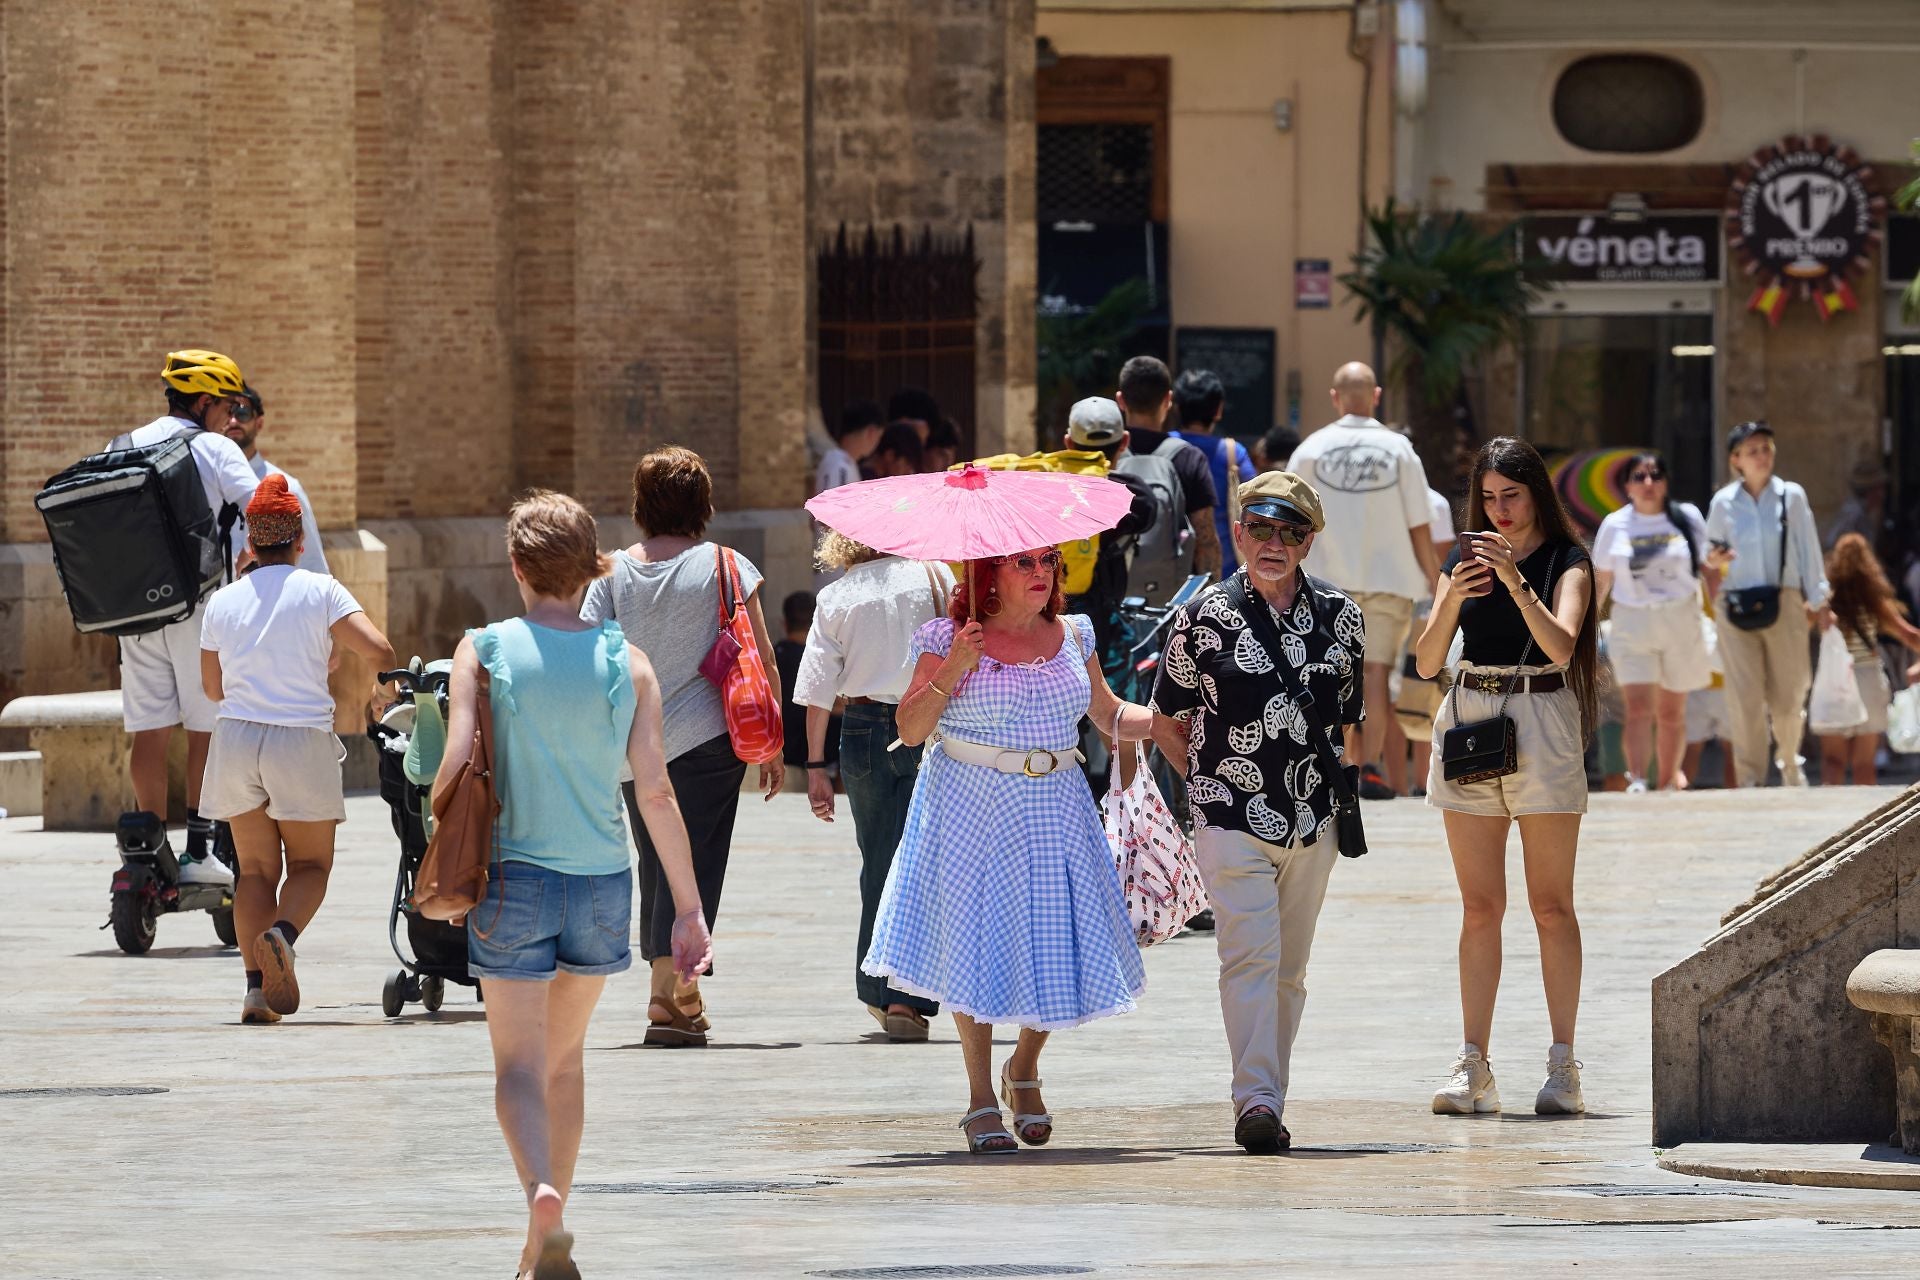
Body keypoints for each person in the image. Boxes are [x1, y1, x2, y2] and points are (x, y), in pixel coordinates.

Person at [436, 491, 713, 1280]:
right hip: (603, 884)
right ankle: (542, 1239)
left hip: (515, 878)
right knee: (565, 1064)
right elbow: (655, 793)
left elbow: (454, 768)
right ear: (594, 569)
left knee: (517, 1070)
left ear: (517, 567)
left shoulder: (482, 648)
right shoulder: (628, 660)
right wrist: (688, 911)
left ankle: (540, 1199)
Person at [863, 549, 1156, 1153]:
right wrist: (955, 666)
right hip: (967, 806)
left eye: (1047, 560)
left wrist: (1175, 722)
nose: (1040, 571)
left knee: (1052, 941)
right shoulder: (948, 637)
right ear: (987, 573)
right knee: (974, 944)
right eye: (1022, 562)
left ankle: (1022, 1066)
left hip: (1057, 804)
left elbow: (1105, 711)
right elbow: (911, 729)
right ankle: (978, 1097)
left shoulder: (1075, 633)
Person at [1148, 471, 1363, 1154]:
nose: (1274, 543)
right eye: (1261, 529)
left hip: (1312, 821)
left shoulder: (1342, 616)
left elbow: (1350, 721)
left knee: (1288, 971)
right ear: (1239, 532)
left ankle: (1268, 1088)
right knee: (1248, 958)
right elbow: (1165, 718)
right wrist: (1207, 788)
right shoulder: (1204, 616)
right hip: (1230, 817)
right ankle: (1257, 1102)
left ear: (1308, 541)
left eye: (1290, 532)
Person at [1414, 436, 1599, 1117]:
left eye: (1511, 497)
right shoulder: (1461, 564)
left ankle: (1563, 1064)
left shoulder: (1566, 560)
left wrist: (1518, 584)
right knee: (1478, 907)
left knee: (1551, 906)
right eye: (1488, 499)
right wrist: (1454, 598)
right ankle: (1473, 1065)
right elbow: (1428, 660)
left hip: (1541, 713)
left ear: (1536, 493)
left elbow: (1561, 643)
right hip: (1469, 713)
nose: (1499, 511)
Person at [581, 447, 783, 1047]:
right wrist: (772, 744)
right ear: (703, 504)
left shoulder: (610, 570)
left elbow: (589, 649)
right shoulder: (725, 564)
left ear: (641, 504)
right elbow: (762, 656)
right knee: (696, 864)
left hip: (632, 741)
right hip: (707, 738)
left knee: (658, 862)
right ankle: (676, 992)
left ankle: (664, 993)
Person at [198, 475, 395, 1024]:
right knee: (310, 865)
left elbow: (213, 690)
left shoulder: (223, 602)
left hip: (237, 740)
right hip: (299, 739)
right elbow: (380, 649)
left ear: (250, 543)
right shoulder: (320, 590)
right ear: (300, 540)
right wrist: (382, 693)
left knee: (256, 872)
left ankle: (256, 993)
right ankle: (282, 936)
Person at [796, 532, 956, 1041]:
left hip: (860, 727)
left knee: (879, 859)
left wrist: (816, 766)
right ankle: (907, 999)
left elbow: (817, 688)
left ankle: (877, 988)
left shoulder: (836, 595)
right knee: (921, 863)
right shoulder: (936, 575)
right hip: (925, 724)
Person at [117, 350, 263, 886]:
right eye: (228, 405)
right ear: (202, 402)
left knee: (149, 732)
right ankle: (200, 854)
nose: (234, 418)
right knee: (204, 732)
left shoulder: (125, 444)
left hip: (135, 610)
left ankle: (142, 857)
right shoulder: (215, 448)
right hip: (199, 612)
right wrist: (253, 554)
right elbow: (268, 508)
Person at [1287, 363, 1442, 800]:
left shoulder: (1311, 450)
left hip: (1322, 582)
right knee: (1374, 672)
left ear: (1335, 397)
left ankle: (1330, 762)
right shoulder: (1399, 449)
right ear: (1375, 395)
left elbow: (1294, 519)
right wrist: (1436, 581)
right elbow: (1419, 524)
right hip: (1389, 580)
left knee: (1325, 672)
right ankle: (1368, 766)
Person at [1705, 421, 1830, 788]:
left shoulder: (1791, 496)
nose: (1762, 456)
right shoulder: (1723, 502)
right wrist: (1715, 557)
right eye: (1753, 450)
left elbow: (1808, 549)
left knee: (1790, 693)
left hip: (1785, 599)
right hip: (1736, 604)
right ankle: (1750, 780)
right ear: (1736, 459)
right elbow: (1710, 555)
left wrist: (1820, 598)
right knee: (1744, 698)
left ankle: (1790, 764)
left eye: (1766, 448)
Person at [1591, 452, 1716, 792]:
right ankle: (1638, 780)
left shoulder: (1686, 517)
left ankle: (1665, 784)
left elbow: (1708, 569)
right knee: (1638, 709)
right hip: (1632, 621)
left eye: (1655, 475)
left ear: (1665, 482)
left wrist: (1718, 609)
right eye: (1639, 476)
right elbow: (1600, 582)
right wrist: (1584, 627)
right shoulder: (1615, 524)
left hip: (1680, 619)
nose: (1648, 483)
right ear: (1627, 485)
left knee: (1672, 712)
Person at [1818, 533, 1920, 784]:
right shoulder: (1875, 601)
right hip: (1868, 680)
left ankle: (1830, 821)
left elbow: (1801, 626)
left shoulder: (1824, 600)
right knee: (1864, 764)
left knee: (1833, 762)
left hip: (1834, 680)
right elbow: (1911, 636)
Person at [1114, 355, 1221, 584]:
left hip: (1109, 602)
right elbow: (1206, 541)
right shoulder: (1189, 458)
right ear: (1168, 400)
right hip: (1170, 604)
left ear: (1121, 400)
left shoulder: (1104, 455)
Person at [224, 384, 328, 574]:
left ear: (259, 423)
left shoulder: (287, 488)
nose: (233, 421)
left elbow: (313, 564)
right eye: (227, 413)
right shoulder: (207, 482)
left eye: (242, 413)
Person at [1171, 368, 1256, 575]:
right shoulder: (1233, 453)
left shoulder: (1163, 447)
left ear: (1176, 407)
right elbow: (1258, 499)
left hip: (1169, 569)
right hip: (1224, 573)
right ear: (1218, 410)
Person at [776, 591, 835, 776]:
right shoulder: (825, 658)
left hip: (782, 748)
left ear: (784, 624)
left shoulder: (774, 657)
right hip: (823, 753)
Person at [817, 400, 885, 496]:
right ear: (871, 432)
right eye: (879, 437)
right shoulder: (841, 467)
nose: (878, 442)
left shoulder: (837, 460)